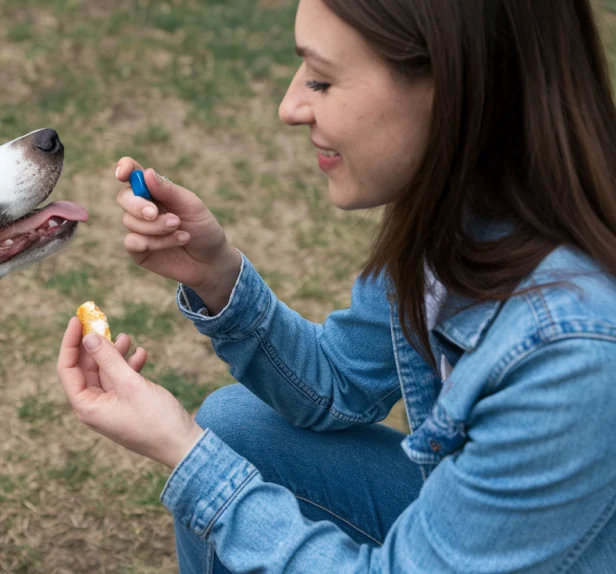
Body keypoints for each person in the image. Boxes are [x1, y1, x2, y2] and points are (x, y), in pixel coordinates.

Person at [55, 0, 616, 571]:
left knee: (214, 453)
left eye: (321, 79)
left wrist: (184, 453)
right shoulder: (458, 221)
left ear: (454, 86)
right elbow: (341, 384)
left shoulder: (571, 352)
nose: (289, 107)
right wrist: (216, 274)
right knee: (237, 429)